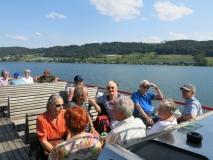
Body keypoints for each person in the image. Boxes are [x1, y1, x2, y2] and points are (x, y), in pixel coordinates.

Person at [36, 94, 70, 160]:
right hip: (48, 145)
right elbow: (43, 140)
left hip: (62, 143)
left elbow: (68, 132)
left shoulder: (65, 114)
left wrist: (67, 146)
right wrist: (55, 152)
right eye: (58, 105)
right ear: (50, 106)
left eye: (62, 105)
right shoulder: (41, 119)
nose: (61, 108)